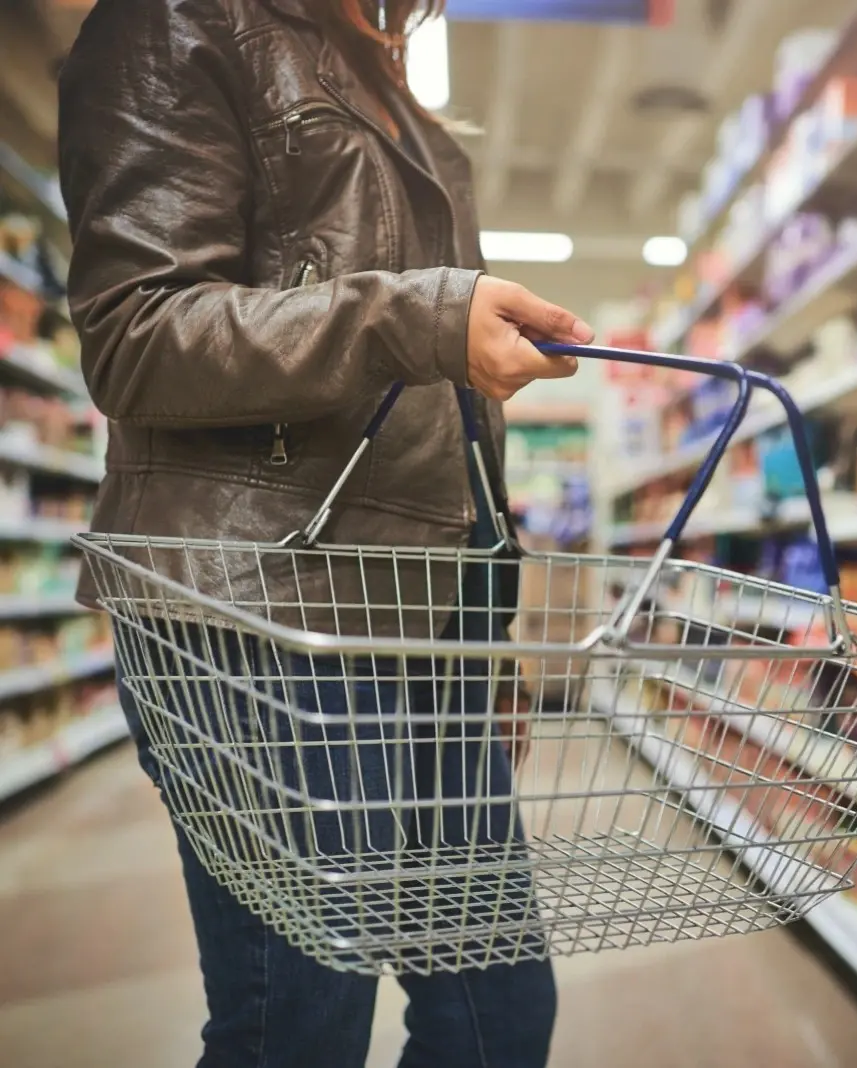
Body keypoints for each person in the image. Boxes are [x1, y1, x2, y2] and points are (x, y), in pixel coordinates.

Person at [57, 1, 594, 1065]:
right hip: (258, 607)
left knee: (499, 1016)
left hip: (423, 614)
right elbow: (134, 334)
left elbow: (446, 407)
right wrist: (422, 317)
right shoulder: (176, 18)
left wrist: (487, 629)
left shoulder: (387, 83)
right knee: (297, 1029)